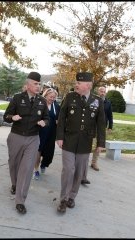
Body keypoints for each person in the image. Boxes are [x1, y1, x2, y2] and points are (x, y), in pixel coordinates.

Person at [55, 72, 106, 213]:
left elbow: (101, 123)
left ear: (88, 85)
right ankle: (63, 199)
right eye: (76, 82)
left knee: (78, 172)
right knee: (68, 170)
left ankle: (72, 196)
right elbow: (62, 117)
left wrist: (101, 143)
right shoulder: (70, 97)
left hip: (85, 142)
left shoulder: (97, 101)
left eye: (79, 83)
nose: (75, 85)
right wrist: (59, 137)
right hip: (69, 140)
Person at [3, 72, 49, 214]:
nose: (38, 86)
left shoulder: (42, 101)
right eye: (35, 84)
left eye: (39, 84)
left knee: (27, 168)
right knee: (14, 163)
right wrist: (13, 117)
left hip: (33, 138)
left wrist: (44, 122)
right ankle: (15, 184)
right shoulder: (17, 98)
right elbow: (6, 116)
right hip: (16, 136)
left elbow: (47, 118)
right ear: (28, 84)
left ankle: (20, 200)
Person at [81, 86, 114, 183]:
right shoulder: (93, 100)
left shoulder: (107, 103)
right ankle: (82, 161)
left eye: (104, 91)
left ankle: (94, 162)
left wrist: (110, 126)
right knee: (89, 144)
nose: (102, 93)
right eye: (101, 91)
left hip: (101, 127)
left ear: (105, 93)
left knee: (98, 145)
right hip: (91, 126)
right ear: (98, 91)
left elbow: (110, 115)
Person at [33, 87, 60, 180]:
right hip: (40, 131)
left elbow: (58, 117)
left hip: (51, 132)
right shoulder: (40, 104)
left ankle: (44, 164)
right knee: (38, 150)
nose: (52, 99)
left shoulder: (56, 106)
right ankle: (35, 170)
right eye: (51, 97)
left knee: (48, 152)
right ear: (46, 95)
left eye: (54, 97)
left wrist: (58, 121)